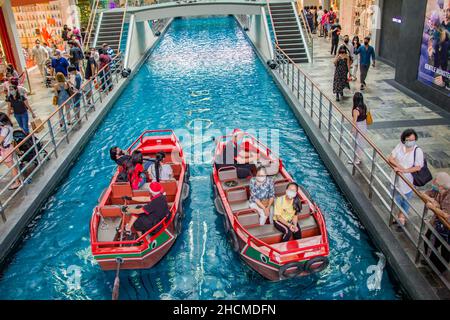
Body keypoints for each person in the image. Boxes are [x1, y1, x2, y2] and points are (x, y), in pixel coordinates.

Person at [388, 129, 424, 227]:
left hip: (408, 180)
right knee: (395, 197)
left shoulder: (418, 151)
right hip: (395, 177)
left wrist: (404, 171)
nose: (411, 142)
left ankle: (402, 216)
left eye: (413, 139)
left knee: (406, 199)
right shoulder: (400, 146)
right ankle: (399, 213)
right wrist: (400, 167)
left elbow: (417, 167)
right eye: (408, 139)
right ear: (404, 139)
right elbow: (390, 158)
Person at [422, 172, 450, 274]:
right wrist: (433, 201)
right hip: (438, 224)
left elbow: (446, 215)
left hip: (446, 227)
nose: (433, 182)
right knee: (428, 240)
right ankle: (431, 261)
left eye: (435, 181)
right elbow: (424, 194)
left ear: (441, 185)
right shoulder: (438, 190)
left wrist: (434, 207)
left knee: (445, 250)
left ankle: (439, 269)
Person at [0, 112, 21, 190]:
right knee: (12, 166)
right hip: (9, 147)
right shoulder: (9, 126)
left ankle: (17, 182)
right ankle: (18, 179)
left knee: (11, 167)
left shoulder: (5, 129)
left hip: (6, 149)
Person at [349, 92, 367, 165]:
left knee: (356, 143)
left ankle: (356, 159)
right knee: (361, 142)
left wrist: (352, 131)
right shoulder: (364, 106)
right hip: (364, 125)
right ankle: (359, 157)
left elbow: (354, 122)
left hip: (358, 126)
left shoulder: (356, 110)